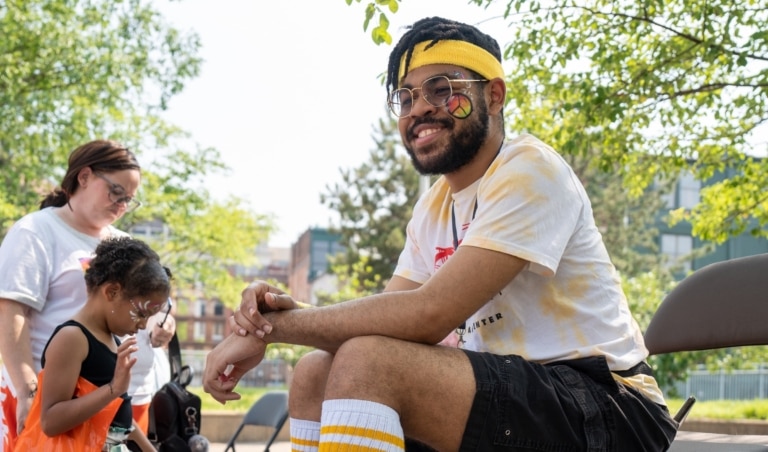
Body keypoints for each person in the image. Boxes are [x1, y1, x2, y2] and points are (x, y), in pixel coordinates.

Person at [202, 16, 678, 451]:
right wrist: (280, 313)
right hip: (519, 394)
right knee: (315, 372)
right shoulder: (433, 205)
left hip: (608, 404)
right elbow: (390, 316)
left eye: (440, 88)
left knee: (370, 361)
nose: (419, 109)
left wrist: (273, 331)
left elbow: (428, 315)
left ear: (493, 94)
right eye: (405, 98)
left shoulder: (529, 169)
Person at [0, 139, 141, 451]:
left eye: (129, 199)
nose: (121, 204)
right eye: (116, 192)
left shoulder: (122, 243)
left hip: (97, 403)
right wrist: (27, 391)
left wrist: (165, 320)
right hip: (44, 399)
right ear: (85, 176)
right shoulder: (35, 232)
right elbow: (12, 314)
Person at [15, 236, 172, 451]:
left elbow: (118, 413)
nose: (143, 325)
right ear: (112, 292)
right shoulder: (72, 338)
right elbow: (51, 421)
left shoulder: (111, 338)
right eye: (141, 314)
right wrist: (113, 389)